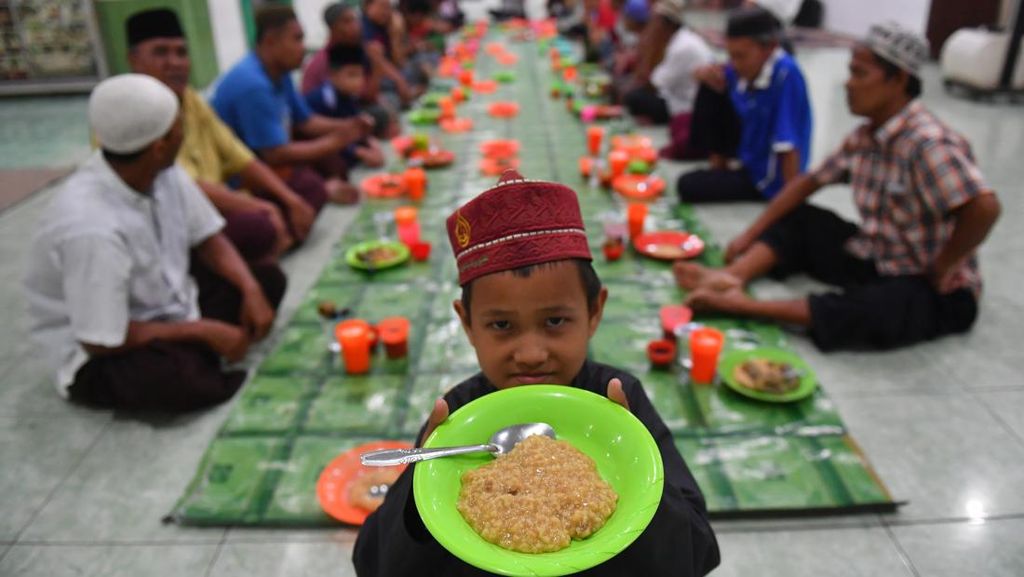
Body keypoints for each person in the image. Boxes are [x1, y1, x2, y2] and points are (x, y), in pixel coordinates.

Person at [352, 170, 720, 576]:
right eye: (502, 326)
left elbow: (698, 553)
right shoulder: (458, 417)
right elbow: (374, 564)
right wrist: (418, 483)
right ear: (468, 323)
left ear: (594, 311)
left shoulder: (619, 403)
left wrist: (640, 474)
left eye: (556, 321)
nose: (530, 355)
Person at [673, 23, 1002, 351]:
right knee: (802, 220)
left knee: (879, 309)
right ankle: (731, 277)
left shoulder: (927, 143)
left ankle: (740, 306)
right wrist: (749, 236)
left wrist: (945, 264)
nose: (848, 84)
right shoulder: (865, 136)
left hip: (930, 283)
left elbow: (984, 207)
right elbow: (807, 183)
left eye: (859, 74)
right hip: (878, 255)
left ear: (898, 80)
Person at [23, 74, 283, 411]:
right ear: (161, 144)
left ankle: (200, 347)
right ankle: (198, 352)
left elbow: (207, 237)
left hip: (169, 306)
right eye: (178, 125)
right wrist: (202, 331)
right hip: (107, 347)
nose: (184, 130)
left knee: (268, 281)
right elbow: (100, 339)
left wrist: (250, 289)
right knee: (180, 381)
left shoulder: (163, 170)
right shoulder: (90, 227)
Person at [126, 8, 320, 264]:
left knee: (304, 190)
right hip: (176, 226)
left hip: (221, 199)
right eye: (161, 52)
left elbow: (237, 154)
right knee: (261, 227)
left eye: (181, 52)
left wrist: (289, 200)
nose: (175, 62)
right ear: (134, 60)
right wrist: (262, 207)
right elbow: (187, 189)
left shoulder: (190, 98)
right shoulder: (129, 110)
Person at [212, 5, 372, 205]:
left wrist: (352, 126)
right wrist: (337, 140)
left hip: (271, 159)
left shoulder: (280, 71)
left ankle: (327, 190)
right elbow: (274, 154)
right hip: (243, 178)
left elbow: (306, 121)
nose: (303, 47)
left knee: (332, 158)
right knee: (312, 184)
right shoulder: (252, 84)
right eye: (297, 39)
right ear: (270, 41)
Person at [676, 5, 812, 203]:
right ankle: (718, 167)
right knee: (712, 85)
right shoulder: (746, 68)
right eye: (731, 55)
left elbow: (788, 145)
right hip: (749, 160)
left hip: (766, 181)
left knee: (687, 185)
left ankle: (720, 176)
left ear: (770, 48)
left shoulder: (786, 75)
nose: (735, 64)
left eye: (740, 56)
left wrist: (790, 203)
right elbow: (714, 75)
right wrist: (702, 73)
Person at [648, 3, 714, 160]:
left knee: (636, 98)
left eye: (656, 22)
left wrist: (651, 47)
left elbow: (653, 83)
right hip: (679, 101)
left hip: (686, 107)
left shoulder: (683, 46)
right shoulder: (679, 40)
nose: (652, 27)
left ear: (667, 24)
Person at [305, 43, 386, 170]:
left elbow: (355, 124)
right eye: (351, 75)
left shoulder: (349, 94)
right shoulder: (321, 100)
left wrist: (372, 144)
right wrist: (361, 153)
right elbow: (330, 138)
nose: (358, 81)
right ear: (333, 75)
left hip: (342, 141)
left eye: (361, 75)